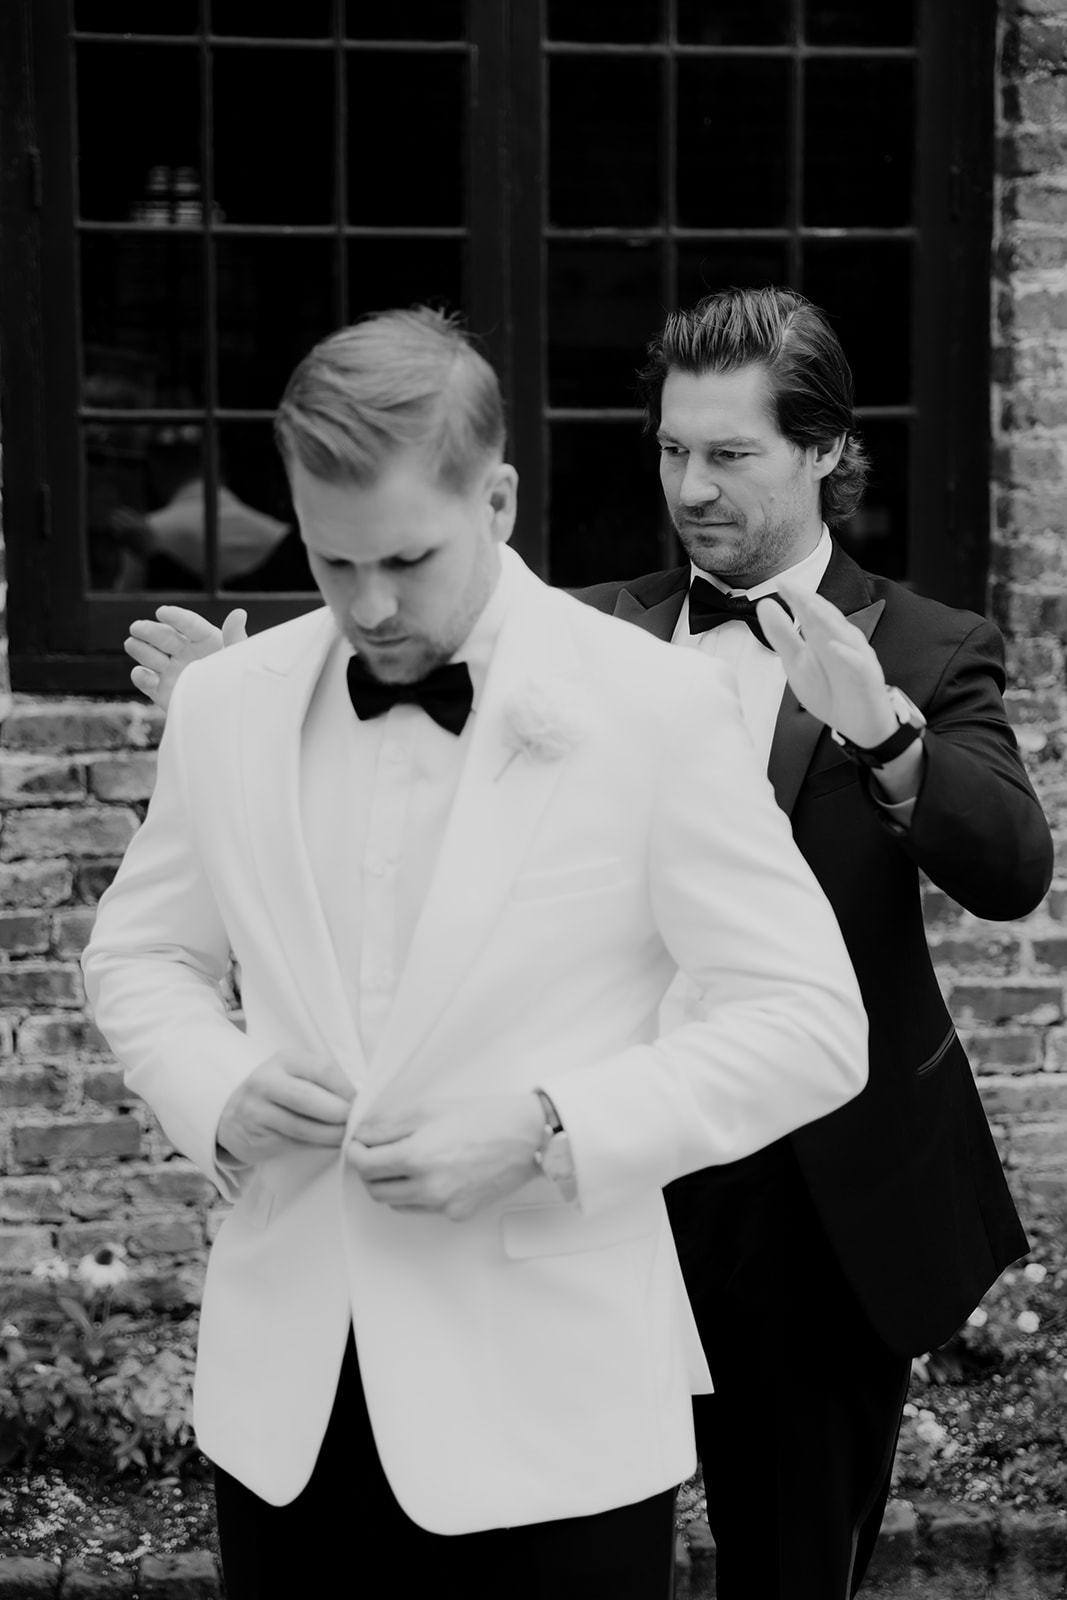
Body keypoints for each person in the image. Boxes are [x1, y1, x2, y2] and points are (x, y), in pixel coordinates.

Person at [127, 288, 1055, 1600]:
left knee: (792, 1566)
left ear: (827, 453)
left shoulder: (927, 643)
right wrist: (247, 726)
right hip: (562, 1207)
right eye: (672, 450)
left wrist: (883, 730)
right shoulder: (577, 638)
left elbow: (1011, 868)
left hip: (809, 1206)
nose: (691, 485)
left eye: (729, 454)